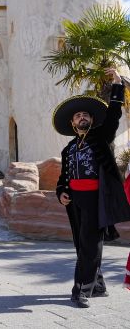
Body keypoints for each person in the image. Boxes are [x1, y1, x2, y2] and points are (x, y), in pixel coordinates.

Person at [54, 67, 130, 307]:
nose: (82, 118)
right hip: (75, 201)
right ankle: (97, 285)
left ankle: (82, 290)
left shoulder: (100, 137)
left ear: (91, 120)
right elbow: (63, 178)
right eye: (78, 116)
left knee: (89, 244)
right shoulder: (68, 149)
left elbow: (115, 114)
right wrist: (61, 192)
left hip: (97, 199)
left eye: (86, 115)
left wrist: (118, 84)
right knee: (82, 243)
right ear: (72, 122)